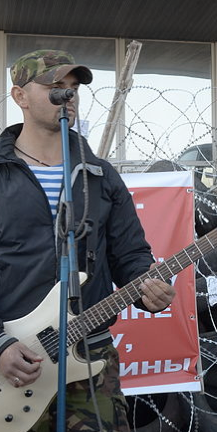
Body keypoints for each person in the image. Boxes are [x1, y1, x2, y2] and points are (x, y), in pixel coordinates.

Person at [0, 50, 177, 432]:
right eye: (54, 87)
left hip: (90, 350)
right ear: (20, 97)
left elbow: (131, 254)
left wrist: (151, 286)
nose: (68, 97)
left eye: (73, 88)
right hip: (12, 359)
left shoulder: (100, 175)